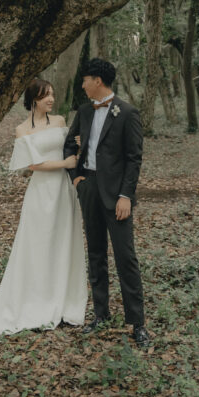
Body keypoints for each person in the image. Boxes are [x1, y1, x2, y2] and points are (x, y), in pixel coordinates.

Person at [0, 78, 87, 335]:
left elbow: (70, 149)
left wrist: (77, 154)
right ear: (33, 100)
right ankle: (35, 298)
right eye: (45, 96)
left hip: (64, 191)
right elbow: (33, 165)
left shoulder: (61, 121)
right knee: (38, 242)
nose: (51, 99)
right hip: (41, 191)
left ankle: (62, 297)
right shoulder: (22, 130)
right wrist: (65, 165)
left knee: (63, 241)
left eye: (52, 94)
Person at [64, 58, 149, 347]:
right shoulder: (85, 111)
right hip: (89, 191)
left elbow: (133, 159)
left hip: (117, 198)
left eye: (85, 79)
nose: (83, 85)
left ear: (97, 80)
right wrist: (77, 179)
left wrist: (126, 196)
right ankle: (101, 314)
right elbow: (69, 144)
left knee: (126, 258)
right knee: (96, 255)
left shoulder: (127, 113)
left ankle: (137, 323)